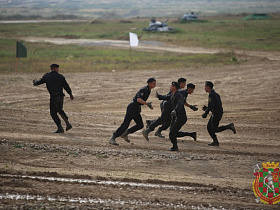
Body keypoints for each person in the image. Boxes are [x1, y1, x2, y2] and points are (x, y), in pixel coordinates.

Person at [109, 77, 156, 146]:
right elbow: (138, 99)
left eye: (155, 84)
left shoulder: (148, 90)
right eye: (153, 84)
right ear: (149, 83)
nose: (155, 85)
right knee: (125, 124)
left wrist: (139, 108)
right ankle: (113, 137)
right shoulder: (144, 90)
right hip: (132, 107)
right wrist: (147, 104)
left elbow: (139, 101)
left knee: (140, 125)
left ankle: (125, 134)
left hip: (136, 108)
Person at [33, 64, 74, 133]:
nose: (58, 69)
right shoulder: (60, 76)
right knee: (60, 110)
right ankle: (67, 122)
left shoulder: (47, 76)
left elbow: (39, 82)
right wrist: (70, 94)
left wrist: (35, 82)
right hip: (61, 96)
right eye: (57, 68)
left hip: (54, 96)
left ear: (51, 68)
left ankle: (60, 128)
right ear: (54, 68)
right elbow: (66, 86)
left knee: (53, 113)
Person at [153, 82, 186, 151]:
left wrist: (175, 111)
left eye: (171, 85)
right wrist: (159, 96)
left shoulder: (179, 95)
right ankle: (175, 146)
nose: (170, 86)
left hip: (181, 117)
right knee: (172, 132)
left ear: (174, 87)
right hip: (175, 117)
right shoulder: (172, 95)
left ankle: (175, 147)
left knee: (172, 133)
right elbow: (165, 97)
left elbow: (179, 104)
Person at [202, 81, 236, 146]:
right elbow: (214, 105)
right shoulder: (214, 94)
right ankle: (215, 142)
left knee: (214, 129)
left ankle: (229, 126)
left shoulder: (212, 94)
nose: (204, 88)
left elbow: (211, 105)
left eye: (205, 86)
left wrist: (205, 113)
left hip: (217, 114)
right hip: (216, 113)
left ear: (208, 87)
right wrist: (207, 109)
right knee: (209, 127)